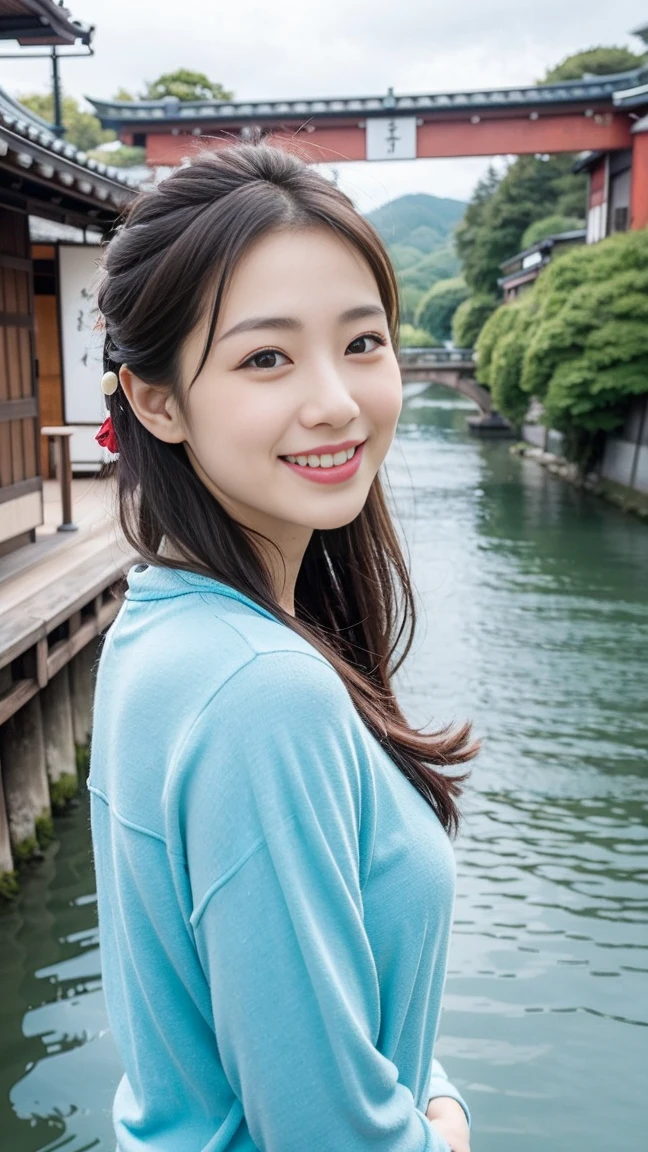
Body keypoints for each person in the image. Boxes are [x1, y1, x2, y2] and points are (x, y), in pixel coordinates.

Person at [88, 141, 480, 1152]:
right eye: (267, 356)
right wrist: (444, 1130)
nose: (338, 401)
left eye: (363, 342)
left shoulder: (161, 623)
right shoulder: (262, 685)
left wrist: (424, 1083)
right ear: (156, 399)